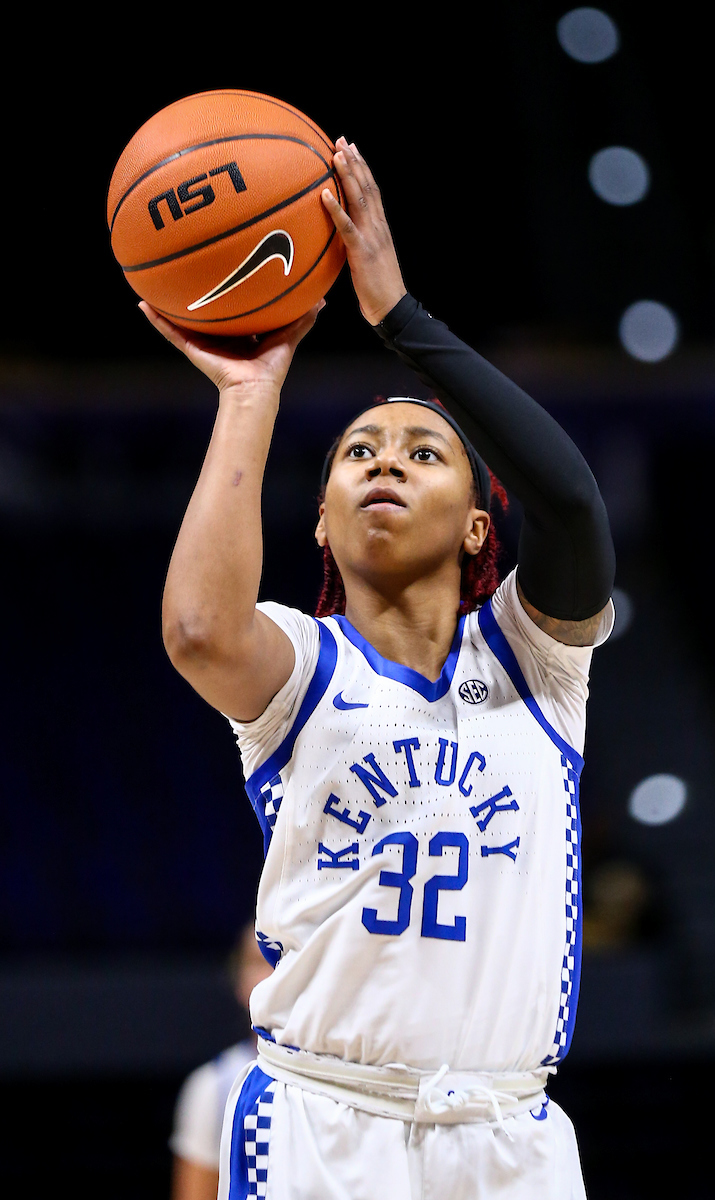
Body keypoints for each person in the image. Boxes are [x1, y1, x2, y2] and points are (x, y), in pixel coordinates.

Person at [142, 138, 616, 1200]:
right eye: (358, 451)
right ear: (320, 523)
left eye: (422, 449)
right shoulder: (301, 665)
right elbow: (198, 634)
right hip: (325, 1127)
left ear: (476, 532)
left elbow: (573, 505)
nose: (387, 459)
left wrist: (399, 319)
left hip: (508, 1133)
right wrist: (252, 388)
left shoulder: (535, 659)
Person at [170, 926, 274, 1200]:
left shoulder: (352, 1073)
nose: (272, 975)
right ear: (239, 981)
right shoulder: (214, 1086)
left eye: (282, 958)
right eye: (258, 961)